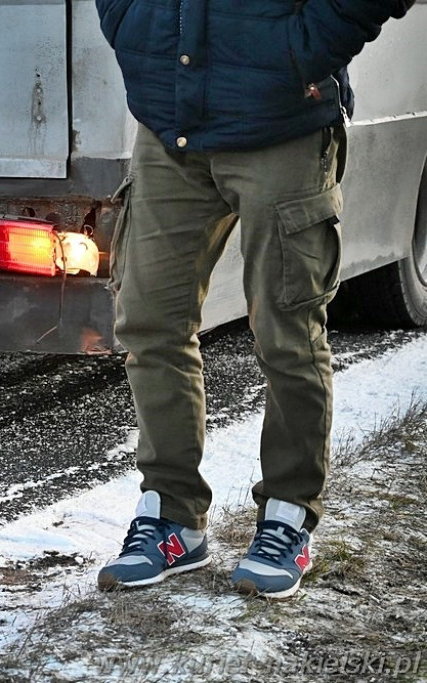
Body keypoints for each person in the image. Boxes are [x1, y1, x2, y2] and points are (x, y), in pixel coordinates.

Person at [93, 0, 414, 598]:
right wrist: (132, 23)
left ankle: (288, 516)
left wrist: (302, 50)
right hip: (169, 124)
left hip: (282, 123)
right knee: (148, 323)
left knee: (286, 331)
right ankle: (172, 518)